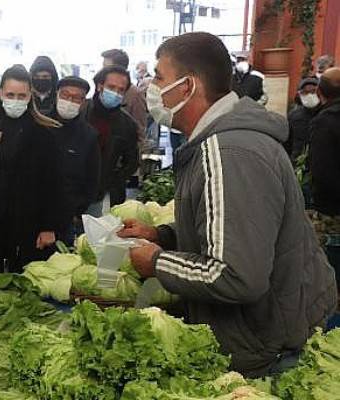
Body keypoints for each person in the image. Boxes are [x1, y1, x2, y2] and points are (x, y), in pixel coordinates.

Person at [118, 32, 336, 378]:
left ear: (188, 87)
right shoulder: (219, 141)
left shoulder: (230, 152)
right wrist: (162, 234)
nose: (151, 87)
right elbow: (232, 226)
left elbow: (235, 275)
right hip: (266, 329)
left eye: (160, 77)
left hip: (266, 343)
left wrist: (157, 262)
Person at [0, 65, 66, 284]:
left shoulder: (44, 132)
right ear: (0, 93)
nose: (15, 100)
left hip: (26, 220)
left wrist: (49, 226)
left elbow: (53, 184)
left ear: (30, 96)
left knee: (20, 282)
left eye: (21, 95)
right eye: (10, 94)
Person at [50, 76, 100, 243]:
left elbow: (92, 178)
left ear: (83, 102)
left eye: (76, 98)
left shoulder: (88, 135)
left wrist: (78, 212)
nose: (69, 101)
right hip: (33, 212)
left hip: (67, 218)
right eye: (65, 95)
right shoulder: (40, 124)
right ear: (56, 95)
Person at [86, 66, 139, 211]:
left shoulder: (128, 125)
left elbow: (132, 162)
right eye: (111, 87)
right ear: (99, 86)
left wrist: (112, 180)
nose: (115, 93)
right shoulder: (81, 112)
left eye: (121, 90)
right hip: (73, 192)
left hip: (106, 195)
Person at [308, 67, 340, 287]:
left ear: (320, 92)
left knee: (327, 271)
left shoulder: (325, 122)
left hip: (331, 211)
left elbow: (321, 171)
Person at [102, 49, 148, 142]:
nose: (103, 70)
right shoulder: (101, 87)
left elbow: (140, 131)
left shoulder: (135, 94)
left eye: (106, 67)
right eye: (103, 66)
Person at [286, 77, 320, 160]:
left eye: (313, 92)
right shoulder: (293, 116)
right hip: (298, 160)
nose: (310, 95)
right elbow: (287, 143)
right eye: (305, 92)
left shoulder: (328, 114)